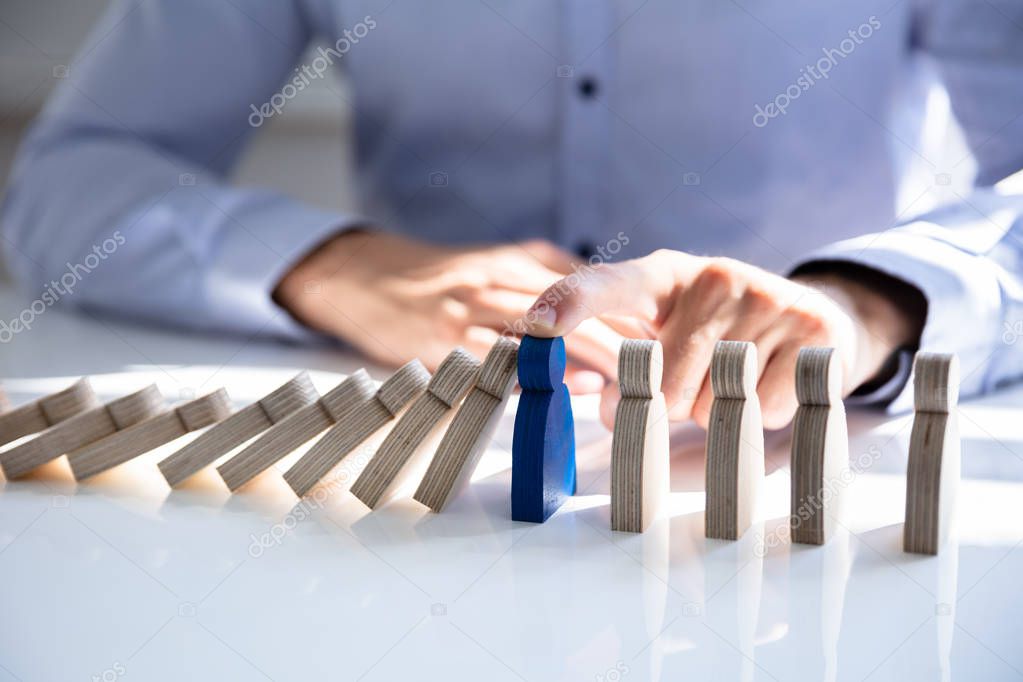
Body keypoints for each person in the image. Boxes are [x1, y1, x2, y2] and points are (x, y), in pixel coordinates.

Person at [2, 1, 1021, 431]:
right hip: (418, 461)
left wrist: (868, 305)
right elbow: (67, 179)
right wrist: (328, 263)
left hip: (807, 455)